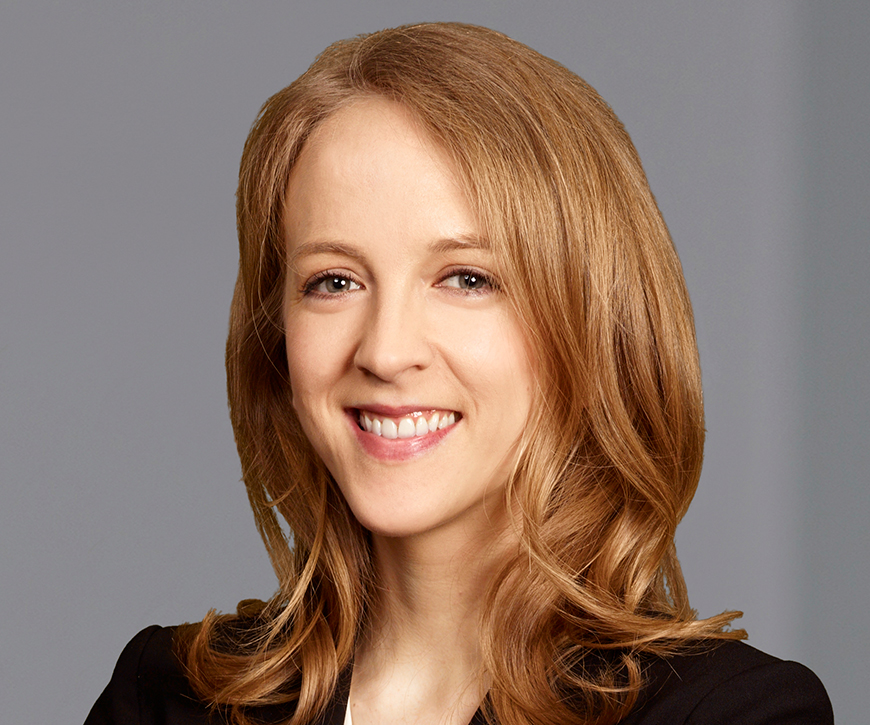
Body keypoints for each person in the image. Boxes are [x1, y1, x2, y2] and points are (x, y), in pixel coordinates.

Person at [85, 22, 833, 725]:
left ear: (591, 323)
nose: (385, 352)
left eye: (467, 278)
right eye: (335, 281)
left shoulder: (733, 712)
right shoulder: (166, 695)